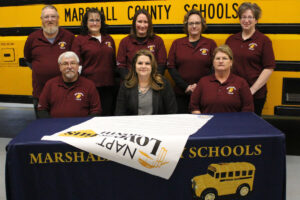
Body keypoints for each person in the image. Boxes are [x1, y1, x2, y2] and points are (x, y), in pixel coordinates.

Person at [24, 5, 75, 118]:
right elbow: (28, 59)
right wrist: (41, 69)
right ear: (41, 19)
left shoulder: (69, 37)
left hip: (65, 93)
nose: (50, 20)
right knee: (42, 128)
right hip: (40, 94)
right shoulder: (32, 38)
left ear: (58, 18)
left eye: (53, 16)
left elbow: (76, 62)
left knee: (64, 128)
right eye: (46, 17)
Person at [225, 2, 275, 116]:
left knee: (252, 128)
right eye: (243, 17)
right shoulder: (231, 40)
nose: (246, 20)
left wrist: (252, 90)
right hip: (233, 92)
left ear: (256, 20)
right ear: (239, 19)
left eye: (250, 17)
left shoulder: (264, 40)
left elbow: (269, 68)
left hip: (255, 95)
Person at [167, 9, 217, 113]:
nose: (194, 26)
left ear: (202, 24)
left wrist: (199, 86)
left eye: (197, 23)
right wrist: (186, 87)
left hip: (205, 94)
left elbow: (215, 68)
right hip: (181, 94)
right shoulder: (177, 43)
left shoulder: (210, 44)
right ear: (186, 25)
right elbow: (171, 67)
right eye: (191, 23)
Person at [71, 8, 116, 116]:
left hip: (108, 88)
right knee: (91, 118)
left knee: (107, 117)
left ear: (102, 22)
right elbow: (76, 66)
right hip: (89, 88)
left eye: (97, 20)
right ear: (86, 23)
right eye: (91, 20)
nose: (95, 23)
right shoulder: (79, 40)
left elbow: (113, 63)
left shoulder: (109, 39)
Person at [190, 45, 254, 114]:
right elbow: (194, 106)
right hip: (208, 124)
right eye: (217, 58)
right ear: (213, 62)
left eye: (224, 58)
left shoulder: (241, 83)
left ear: (231, 62)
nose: (220, 61)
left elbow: (248, 108)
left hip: (233, 124)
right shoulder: (203, 82)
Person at [37, 51, 102, 118]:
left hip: (81, 127)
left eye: (73, 63)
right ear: (60, 67)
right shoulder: (50, 84)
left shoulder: (89, 85)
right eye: (65, 64)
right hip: (56, 126)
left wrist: (84, 125)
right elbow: (42, 109)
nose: (69, 67)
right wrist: (52, 125)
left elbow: (96, 111)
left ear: (78, 66)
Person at [115, 49, 177, 115]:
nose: (143, 66)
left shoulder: (163, 83)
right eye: (140, 63)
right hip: (133, 124)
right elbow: (119, 113)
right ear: (134, 66)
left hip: (157, 124)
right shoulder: (126, 85)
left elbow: (172, 111)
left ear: (152, 66)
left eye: (147, 63)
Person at [117, 9, 167, 79]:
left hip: (152, 84)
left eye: (145, 22)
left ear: (149, 24)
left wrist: (151, 82)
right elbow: (121, 66)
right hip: (130, 84)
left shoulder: (158, 41)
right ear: (134, 23)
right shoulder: (125, 42)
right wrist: (131, 82)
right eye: (139, 21)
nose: (142, 25)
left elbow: (161, 64)